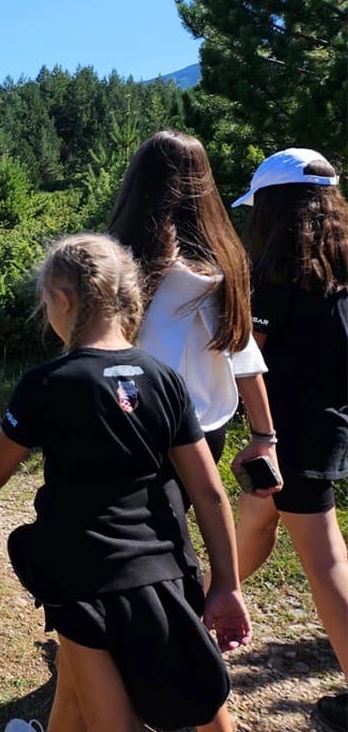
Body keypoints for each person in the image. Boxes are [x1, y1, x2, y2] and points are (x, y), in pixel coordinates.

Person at [0, 234, 250, 732]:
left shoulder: (48, 383)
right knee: (199, 695)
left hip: (84, 577)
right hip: (166, 567)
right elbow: (208, 491)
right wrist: (225, 583)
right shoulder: (163, 378)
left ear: (63, 300)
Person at [230, 148, 348, 728]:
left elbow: (250, 354)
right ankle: (199, 609)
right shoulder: (341, 266)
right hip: (328, 424)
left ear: (273, 207)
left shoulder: (281, 270)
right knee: (254, 522)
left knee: (325, 560)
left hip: (288, 431)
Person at [108, 130, 281, 501]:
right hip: (203, 428)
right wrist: (264, 437)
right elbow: (244, 354)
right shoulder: (223, 266)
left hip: (127, 423)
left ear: (137, 182)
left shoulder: (117, 261)